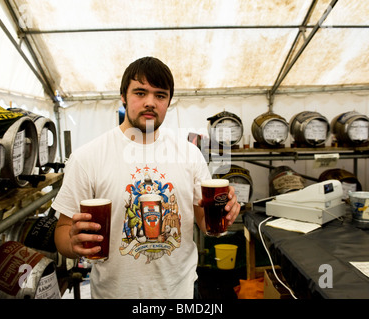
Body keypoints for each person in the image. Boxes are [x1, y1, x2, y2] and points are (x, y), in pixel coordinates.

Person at [53, 56, 240, 299]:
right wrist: (72, 242)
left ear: (168, 102)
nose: (150, 102)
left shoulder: (190, 154)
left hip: (180, 293)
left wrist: (225, 214)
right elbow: (62, 231)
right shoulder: (87, 157)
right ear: (123, 96)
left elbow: (206, 225)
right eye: (140, 93)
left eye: (160, 95)